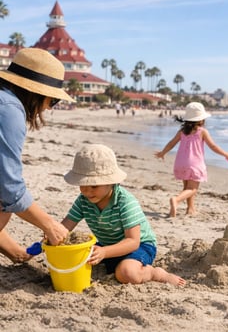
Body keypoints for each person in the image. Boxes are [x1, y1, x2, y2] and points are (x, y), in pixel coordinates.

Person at [61, 144, 186, 286]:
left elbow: (133, 241)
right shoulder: (83, 201)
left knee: (126, 273)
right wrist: (41, 245)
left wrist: (104, 252)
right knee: (71, 258)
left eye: (94, 186)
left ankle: (155, 273)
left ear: (111, 181)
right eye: (83, 185)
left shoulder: (125, 202)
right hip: (106, 246)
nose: (88, 192)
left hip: (139, 246)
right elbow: (64, 227)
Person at [0, 47, 75, 263]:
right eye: (53, 100)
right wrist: (49, 224)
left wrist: (17, 254)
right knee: (6, 200)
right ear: (36, 93)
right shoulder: (9, 110)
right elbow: (9, 188)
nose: (50, 108)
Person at [155, 102, 228, 217]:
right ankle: (176, 200)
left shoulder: (182, 132)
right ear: (201, 120)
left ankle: (190, 209)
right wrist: (226, 154)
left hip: (180, 163)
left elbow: (171, 143)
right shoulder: (202, 131)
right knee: (193, 189)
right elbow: (213, 146)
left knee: (187, 187)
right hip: (194, 164)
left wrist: (163, 153)